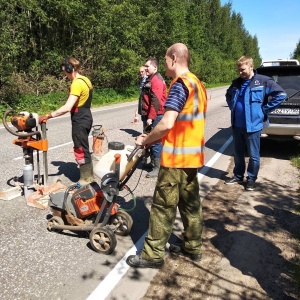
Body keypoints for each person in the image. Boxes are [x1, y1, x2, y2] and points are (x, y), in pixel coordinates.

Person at [126, 43, 207, 269]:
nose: (165, 63)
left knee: (163, 207)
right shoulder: (197, 83)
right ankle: (193, 247)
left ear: (173, 58)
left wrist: (146, 139)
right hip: (192, 158)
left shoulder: (180, 85)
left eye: (165, 59)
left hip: (176, 159)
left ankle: (152, 256)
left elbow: (168, 122)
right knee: (190, 205)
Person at [225, 55, 287, 191]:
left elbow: (281, 94)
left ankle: (251, 179)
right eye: (239, 70)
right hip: (236, 125)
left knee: (253, 155)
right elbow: (228, 94)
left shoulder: (263, 81)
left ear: (251, 66)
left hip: (253, 126)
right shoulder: (236, 82)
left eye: (243, 70)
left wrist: (264, 110)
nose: (240, 73)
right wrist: (232, 106)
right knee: (238, 153)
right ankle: (238, 175)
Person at [39, 57, 94, 185]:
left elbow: (67, 107)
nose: (64, 74)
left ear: (70, 69)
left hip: (79, 119)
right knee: (84, 147)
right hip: (86, 116)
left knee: (80, 148)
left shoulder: (76, 83)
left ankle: (86, 179)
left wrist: (48, 115)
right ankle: (88, 176)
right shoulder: (85, 79)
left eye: (65, 71)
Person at [140, 57, 167, 178]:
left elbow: (156, 102)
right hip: (148, 114)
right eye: (145, 66)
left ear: (155, 68)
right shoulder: (150, 78)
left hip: (155, 115)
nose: (145, 68)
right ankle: (152, 163)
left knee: (155, 141)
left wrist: (151, 117)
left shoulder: (156, 80)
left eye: (147, 66)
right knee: (148, 139)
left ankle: (158, 167)